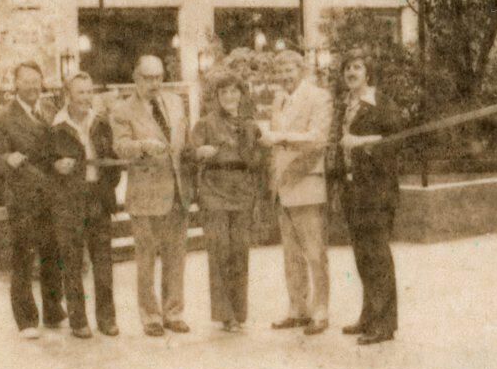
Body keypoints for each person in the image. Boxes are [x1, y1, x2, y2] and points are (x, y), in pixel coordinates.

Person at [111, 55, 194, 337]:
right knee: (146, 260)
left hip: (177, 192)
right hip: (145, 195)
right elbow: (120, 147)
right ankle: (150, 317)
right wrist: (143, 146)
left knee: (176, 258)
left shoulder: (175, 102)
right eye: (148, 78)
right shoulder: (123, 109)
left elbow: (184, 143)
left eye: (158, 77)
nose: (154, 83)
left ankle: (174, 312)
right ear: (136, 78)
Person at [327, 49, 403, 345]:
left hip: (377, 190)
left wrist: (360, 142)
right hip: (352, 189)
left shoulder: (380, 102)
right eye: (347, 68)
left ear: (367, 72)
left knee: (378, 256)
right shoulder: (346, 104)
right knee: (362, 256)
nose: (351, 72)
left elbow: (396, 140)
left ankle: (384, 324)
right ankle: (369, 315)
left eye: (357, 67)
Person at [0, 61, 65, 339]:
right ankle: (26, 319)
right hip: (23, 196)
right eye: (26, 81)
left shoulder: (51, 110)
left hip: (52, 194)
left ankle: (53, 310)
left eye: (36, 80)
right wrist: (7, 157)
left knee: (53, 253)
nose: (33, 86)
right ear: (16, 84)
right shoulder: (3, 117)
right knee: (23, 256)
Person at [258, 50, 333, 336]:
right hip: (283, 185)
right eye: (280, 71)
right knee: (291, 254)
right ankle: (297, 309)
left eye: (289, 70)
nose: (285, 76)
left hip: (307, 183)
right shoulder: (279, 100)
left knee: (315, 253)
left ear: (301, 70)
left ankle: (320, 311)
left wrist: (279, 137)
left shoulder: (318, 97)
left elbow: (318, 138)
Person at [50, 71, 122, 339]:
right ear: (68, 95)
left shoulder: (100, 122)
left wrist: (106, 188)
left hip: (97, 200)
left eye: (89, 92)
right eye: (81, 92)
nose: (86, 97)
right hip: (69, 202)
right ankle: (78, 321)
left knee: (103, 263)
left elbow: (111, 160)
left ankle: (107, 319)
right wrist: (56, 167)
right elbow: (46, 163)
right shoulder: (56, 126)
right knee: (72, 263)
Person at [192, 71, 263, 332]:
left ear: (242, 95)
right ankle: (225, 314)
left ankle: (239, 312)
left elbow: (257, 160)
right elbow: (190, 153)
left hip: (242, 192)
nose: (230, 97)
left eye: (235, 91)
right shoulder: (205, 123)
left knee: (240, 251)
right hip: (214, 191)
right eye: (224, 92)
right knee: (220, 250)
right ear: (216, 96)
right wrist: (200, 152)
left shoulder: (250, 125)